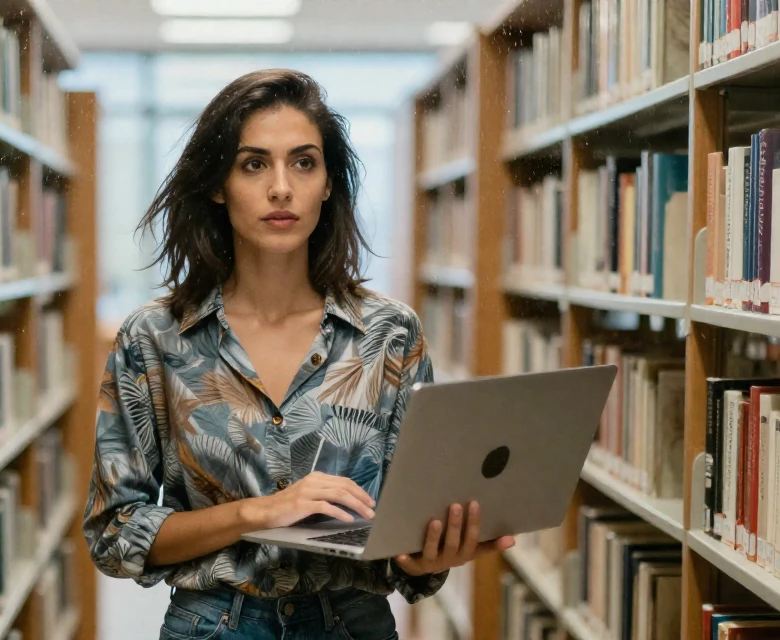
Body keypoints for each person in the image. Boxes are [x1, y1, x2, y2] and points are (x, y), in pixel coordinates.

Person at [82, 68, 515, 640]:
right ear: (218, 184)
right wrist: (252, 514)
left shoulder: (389, 335)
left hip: (355, 623)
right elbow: (115, 535)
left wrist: (429, 554)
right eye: (254, 163)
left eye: (304, 162)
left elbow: (406, 545)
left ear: (329, 184)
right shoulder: (154, 337)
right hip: (213, 625)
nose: (281, 187)